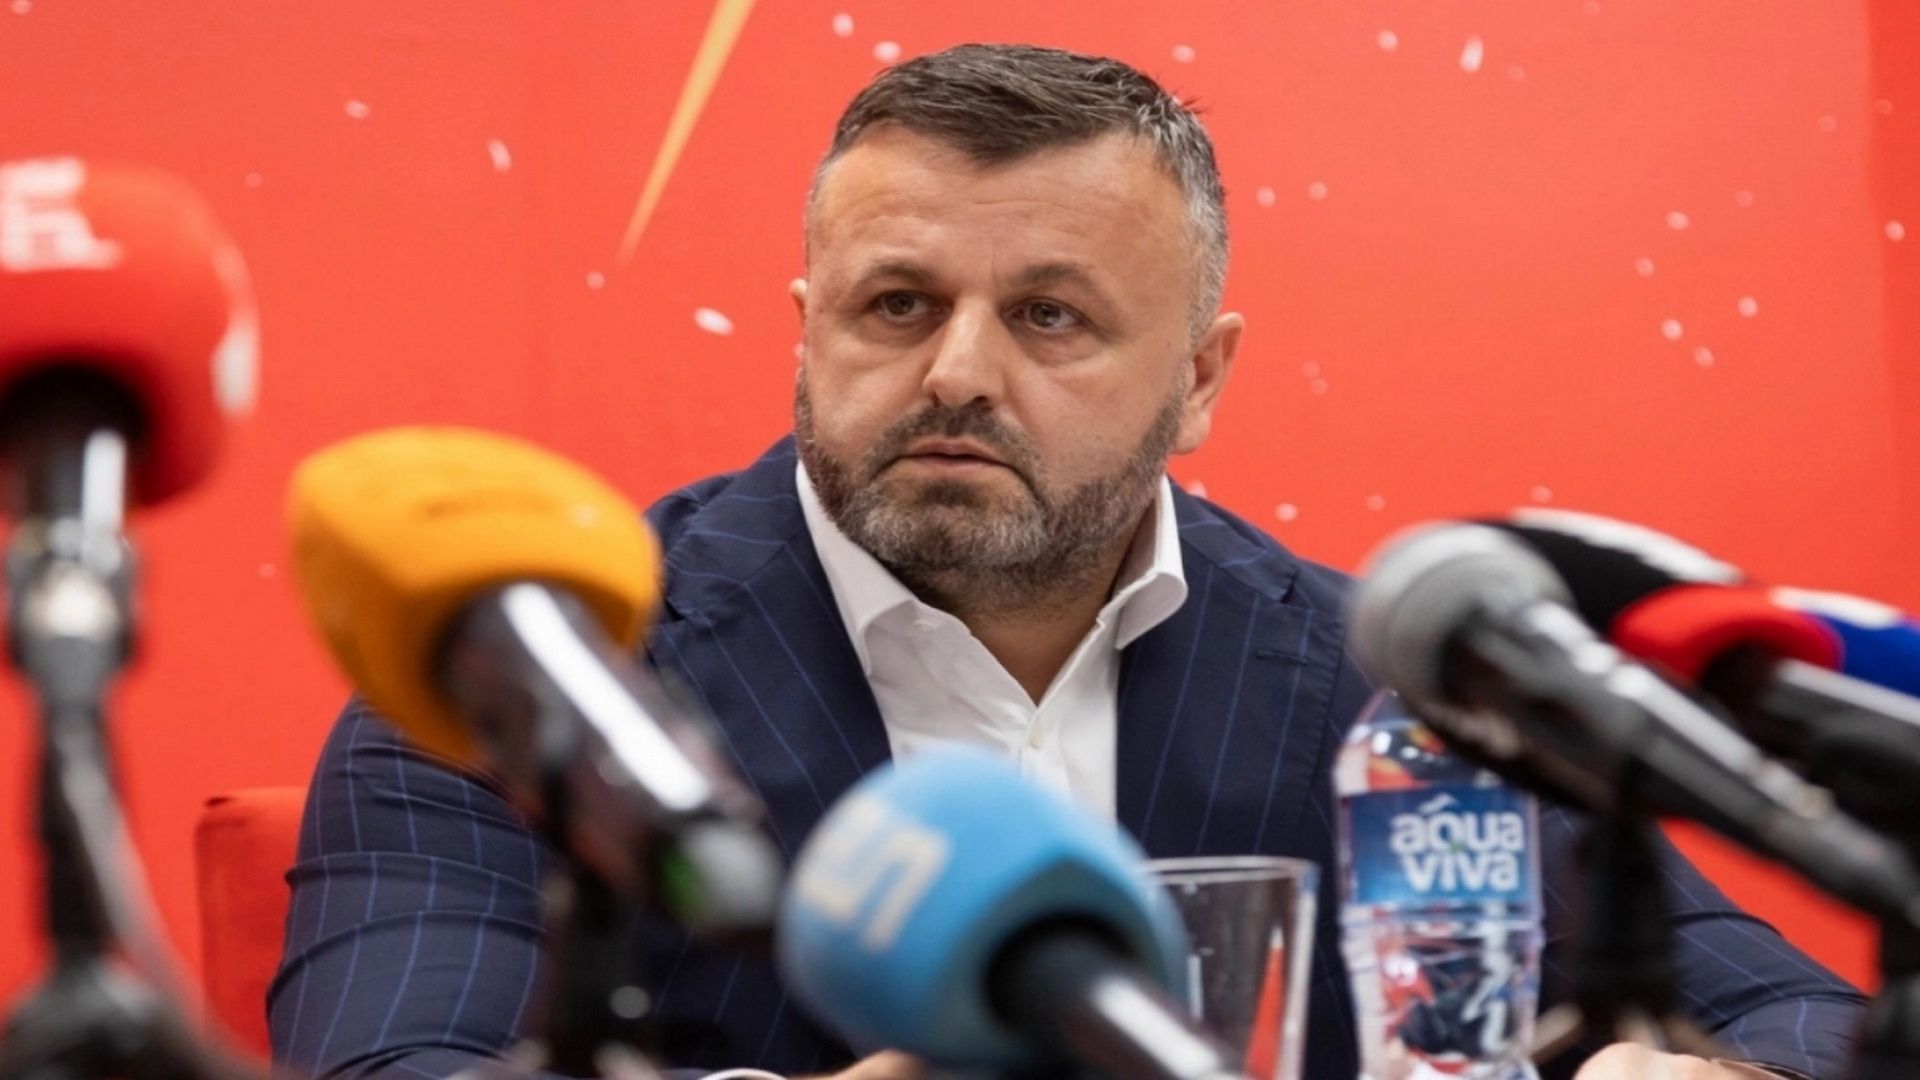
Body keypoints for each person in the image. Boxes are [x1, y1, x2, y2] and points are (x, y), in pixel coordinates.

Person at [269, 44, 1866, 1080]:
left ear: (1202, 378)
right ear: (808, 334)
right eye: (898, 305)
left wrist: (1711, 1070)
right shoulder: (531, 685)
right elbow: (386, 1064)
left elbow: (1803, 1016)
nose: (958, 372)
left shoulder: (1391, 696)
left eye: (1049, 316)